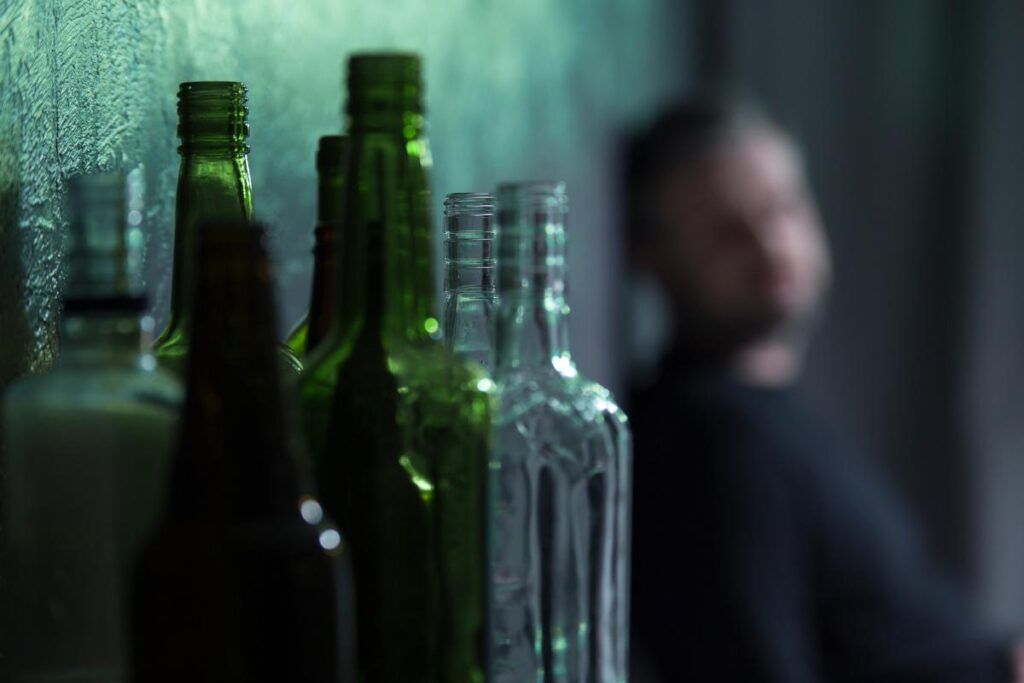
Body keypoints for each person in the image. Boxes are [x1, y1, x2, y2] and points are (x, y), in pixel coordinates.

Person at [625, 96, 1023, 682]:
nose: (770, 246)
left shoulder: (765, 420)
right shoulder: (714, 443)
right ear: (651, 257)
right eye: (728, 233)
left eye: (782, 208)